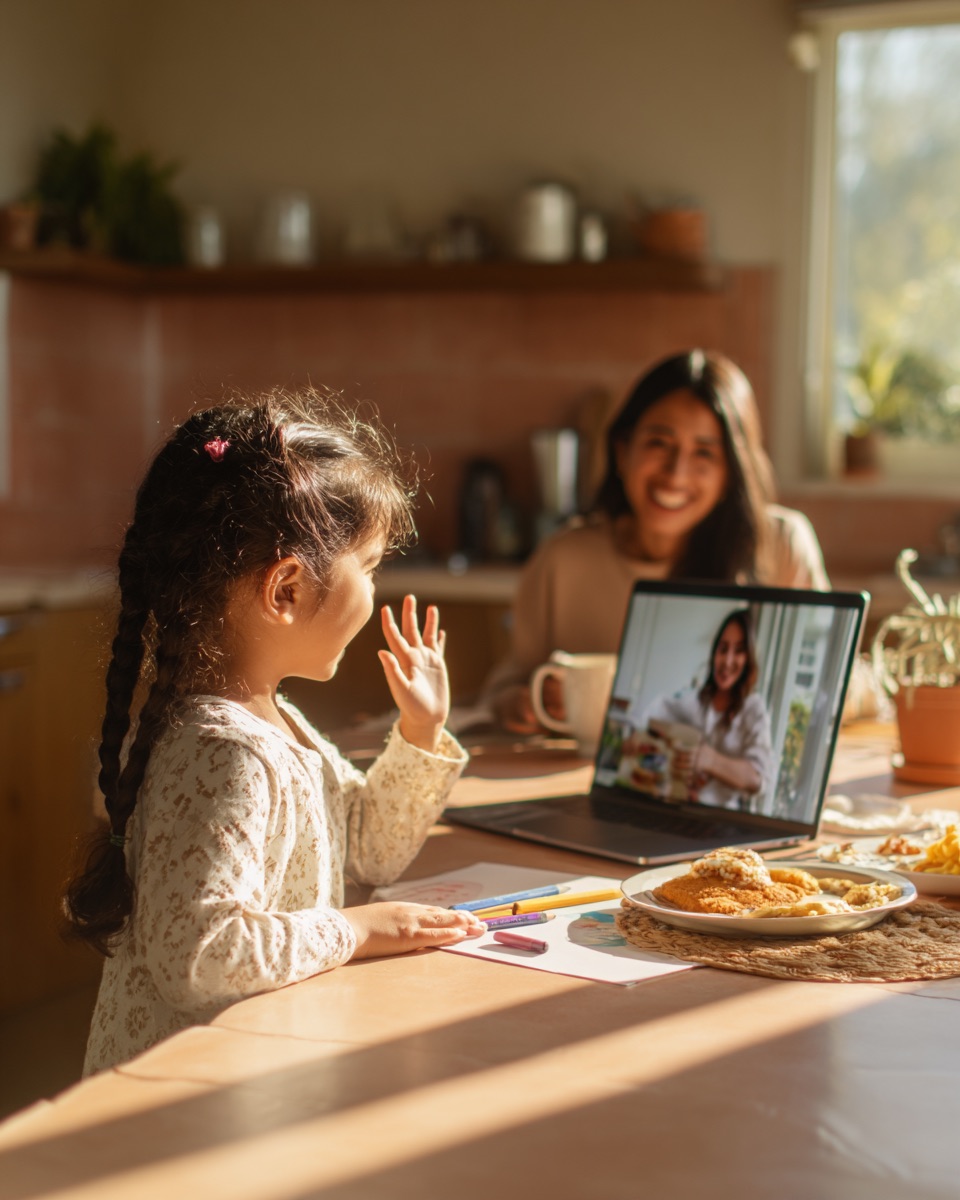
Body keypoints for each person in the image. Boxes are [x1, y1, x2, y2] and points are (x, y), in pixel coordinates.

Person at [64, 388, 485, 1075]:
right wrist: (351, 929)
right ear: (286, 589)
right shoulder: (223, 754)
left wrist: (419, 730)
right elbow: (198, 954)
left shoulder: (276, 722)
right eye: (371, 567)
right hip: (176, 1106)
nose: (375, 590)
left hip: (244, 1074)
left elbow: (367, 849)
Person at [484, 349, 829, 732]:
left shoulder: (780, 546)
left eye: (704, 453)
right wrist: (521, 704)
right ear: (622, 451)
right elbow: (504, 687)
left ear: (731, 474)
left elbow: (835, 686)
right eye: (659, 444)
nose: (676, 474)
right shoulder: (563, 559)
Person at [633, 609, 774, 811]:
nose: (727, 661)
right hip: (675, 810)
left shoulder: (753, 709)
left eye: (739, 651)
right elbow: (646, 718)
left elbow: (760, 780)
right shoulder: (692, 699)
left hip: (722, 823)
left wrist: (710, 761)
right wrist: (635, 738)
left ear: (749, 658)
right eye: (723, 649)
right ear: (714, 652)